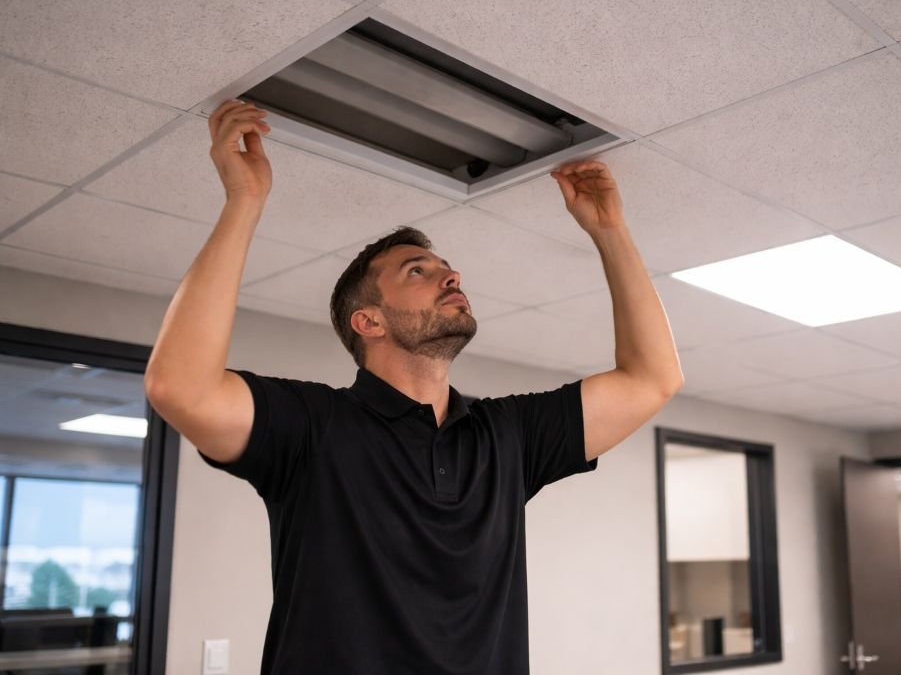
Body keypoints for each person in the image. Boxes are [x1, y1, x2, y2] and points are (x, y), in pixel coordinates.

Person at [144, 99, 684, 674]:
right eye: (417, 271)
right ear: (369, 322)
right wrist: (243, 202)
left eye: (445, 267)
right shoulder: (313, 427)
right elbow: (181, 386)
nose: (451, 275)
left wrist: (610, 230)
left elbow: (654, 377)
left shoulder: (507, 436)